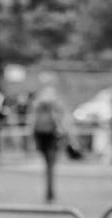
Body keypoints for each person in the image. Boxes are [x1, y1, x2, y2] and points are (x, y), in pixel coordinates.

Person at [31, 72, 67, 204]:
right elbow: (61, 117)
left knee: (48, 166)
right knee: (51, 167)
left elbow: (33, 119)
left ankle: (49, 192)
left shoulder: (38, 100)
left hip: (41, 135)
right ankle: (50, 192)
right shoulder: (54, 99)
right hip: (52, 135)